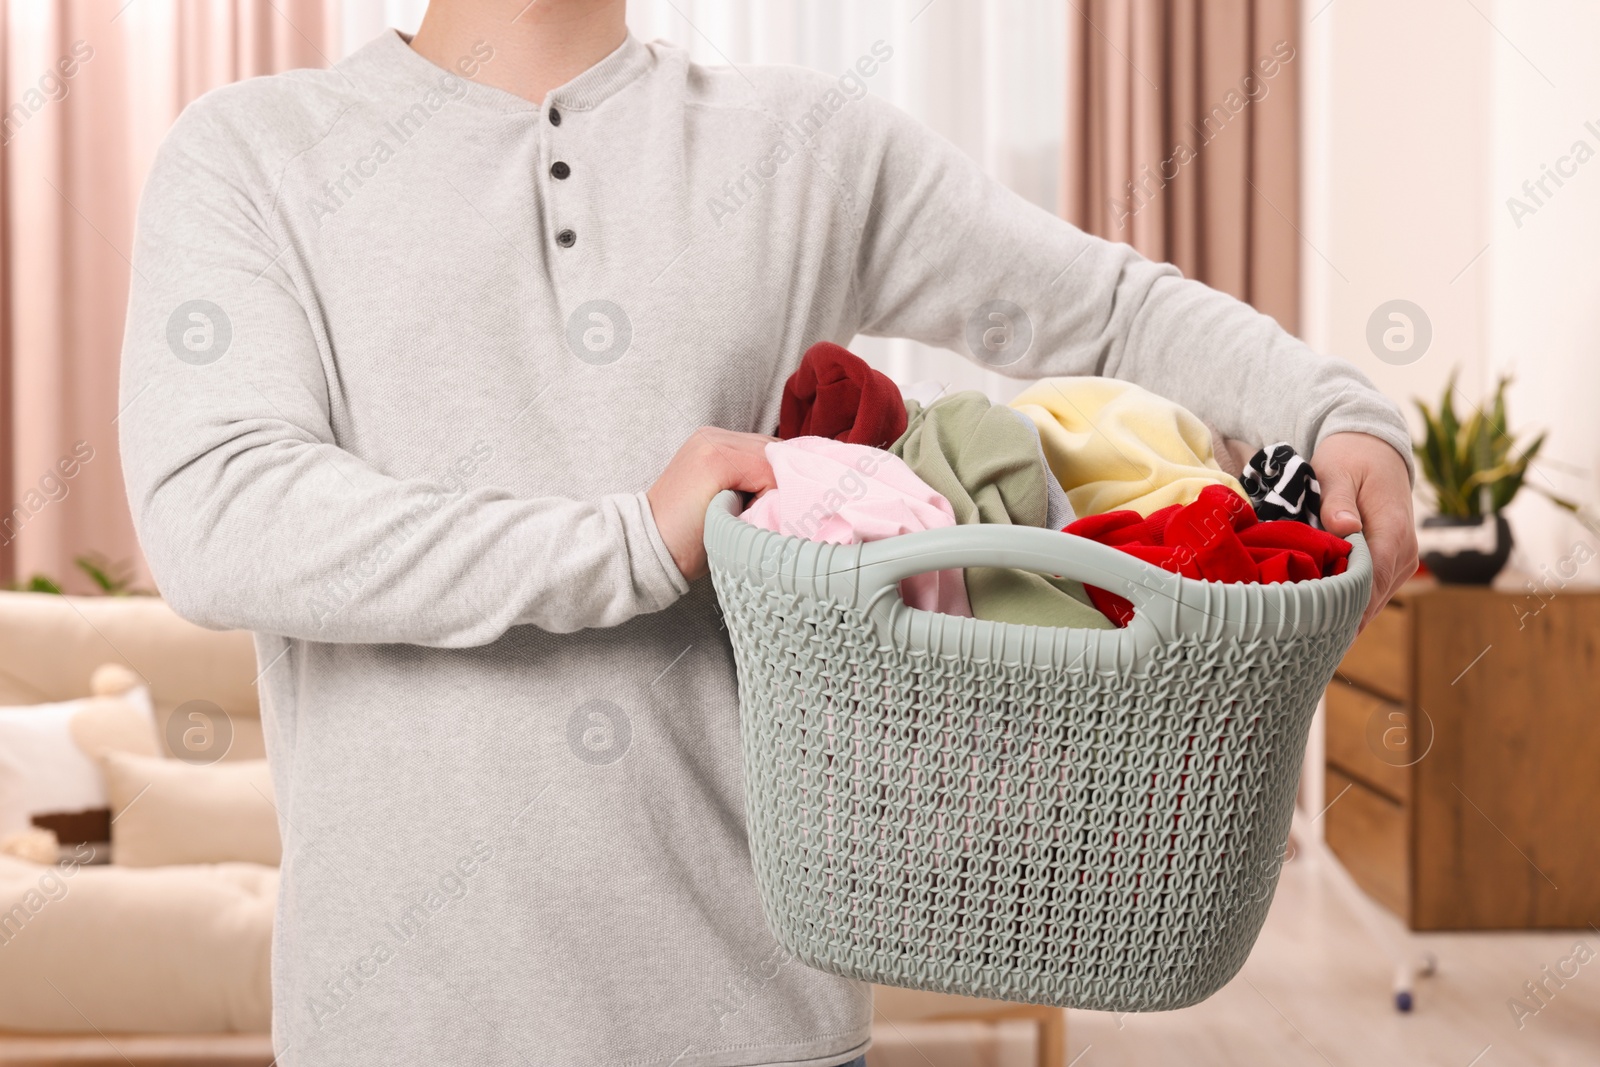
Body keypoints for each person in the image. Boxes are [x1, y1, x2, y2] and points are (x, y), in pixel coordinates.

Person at [117, 1, 1416, 1064]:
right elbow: (219, 513)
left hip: (756, 1025)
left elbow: (1111, 314)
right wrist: (629, 537)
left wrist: (1338, 414)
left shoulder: (806, 144)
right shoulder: (253, 152)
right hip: (394, 1031)